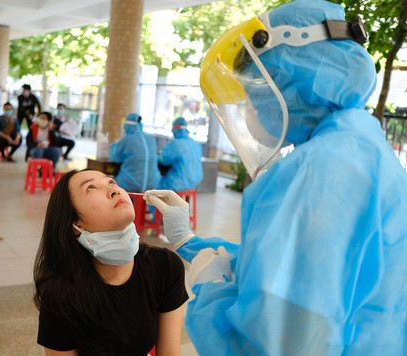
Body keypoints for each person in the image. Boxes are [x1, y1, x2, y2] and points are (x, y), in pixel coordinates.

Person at [144, 0, 407, 354]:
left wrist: (212, 283)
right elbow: (288, 266)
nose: (251, 108)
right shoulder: (359, 145)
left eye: (254, 93)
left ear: (293, 79)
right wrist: (189, 242)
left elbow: (275, 342)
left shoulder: (317, 172)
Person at [34, 169, 188, 355]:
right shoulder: (61, 294)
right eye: (91, 187)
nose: (114, 190)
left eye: (112, 182)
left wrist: (187, 240)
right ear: (76, 225)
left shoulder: (165, 266)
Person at [109, 113, 160, 192]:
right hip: (152, 185)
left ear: (128, 125)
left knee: (109, 184)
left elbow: (114, 157)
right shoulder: (151, 139)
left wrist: (113, 145)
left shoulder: (127, 139)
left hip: (130, 185)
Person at [157, 117, 203, 192]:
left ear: (175, 129)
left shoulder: (176, 144)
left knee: (154, 188)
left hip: (179, 182)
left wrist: (155, 157)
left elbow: (163, 160)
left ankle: (152, 204)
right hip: (195, 181)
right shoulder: (196, 143)